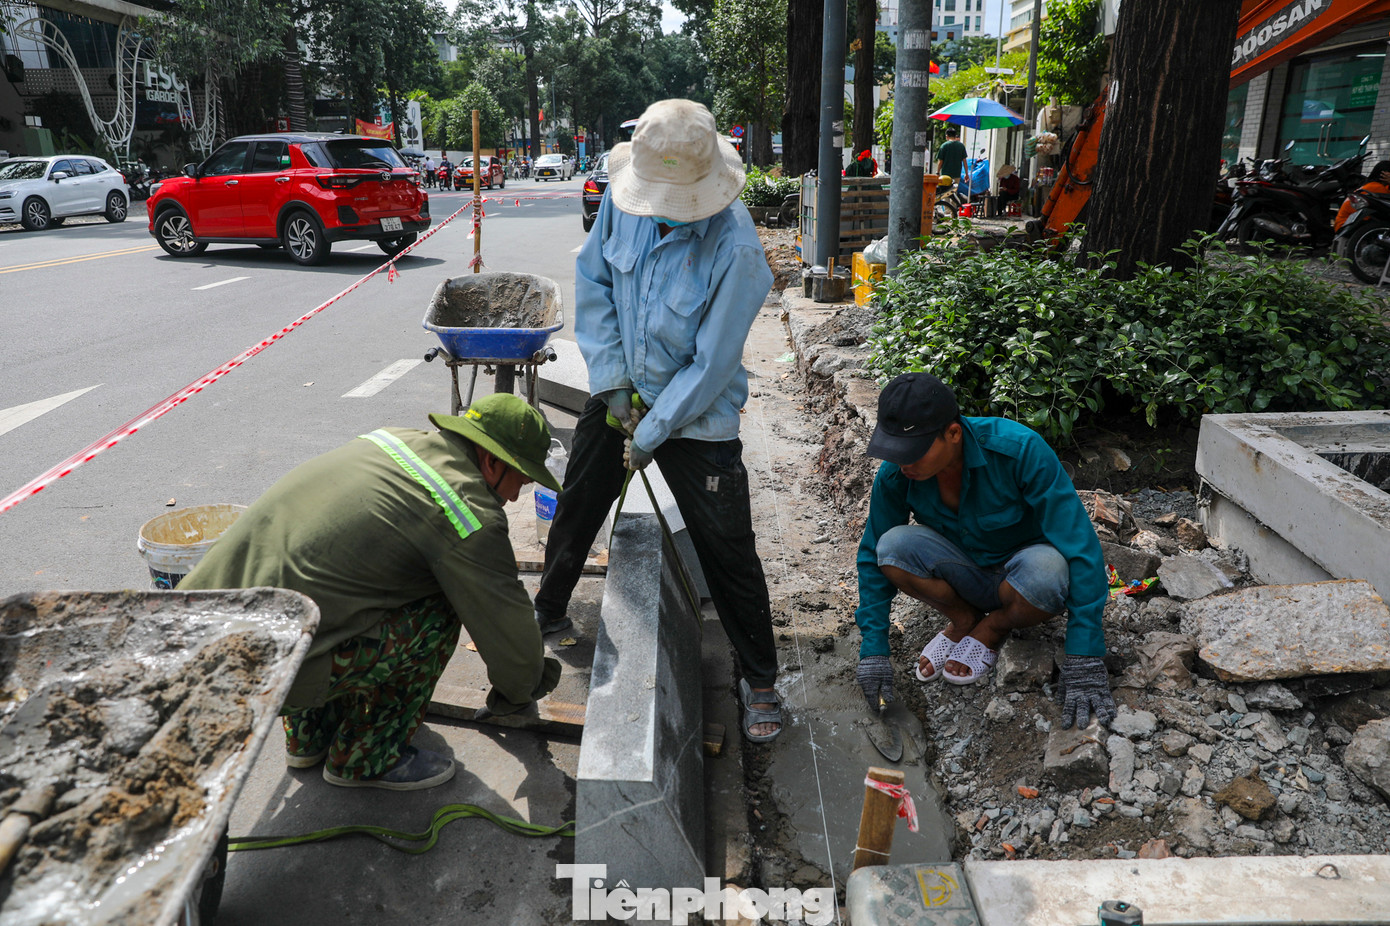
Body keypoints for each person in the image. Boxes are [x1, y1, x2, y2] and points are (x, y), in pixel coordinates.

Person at [532, 98, 783, 743]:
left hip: (697, 417)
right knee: (581, 497)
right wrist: (613, 385)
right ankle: (549, 611)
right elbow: (593, 285)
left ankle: (760, 680)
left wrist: (650, 430)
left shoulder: (738, 249)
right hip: (623, 390)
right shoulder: (622, 202)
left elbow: (712, 364)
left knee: (726, 545)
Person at [179, 394, 563, 790]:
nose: (515, 496)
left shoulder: (392, 441)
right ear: (492, 461)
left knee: (345, 581)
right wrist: (522, 688)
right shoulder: (467, 511)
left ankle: (310, 736)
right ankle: (367, 758)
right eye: (521, 478)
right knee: (440, 608)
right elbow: (509, 635)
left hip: (186, 634)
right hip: (258, 677)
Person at [853, 373, 1115, 731]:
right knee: (891, 547)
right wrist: (874, 649)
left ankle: (992, 627)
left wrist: (1085, 653)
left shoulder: (1019, 450)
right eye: (894, 452)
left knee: (1049, 571)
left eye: (912, 452)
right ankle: (964, 620)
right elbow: (871, 557)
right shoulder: (898, 476)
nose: (903, 464)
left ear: (953, 434)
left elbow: (1081, 547)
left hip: (1021, 580)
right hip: (963, 572)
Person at [1336, 159, 1390, 232]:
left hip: (1343, 225)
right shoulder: (1377, 187)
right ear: (1384, 175)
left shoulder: (1370, 185)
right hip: (1347, 226)